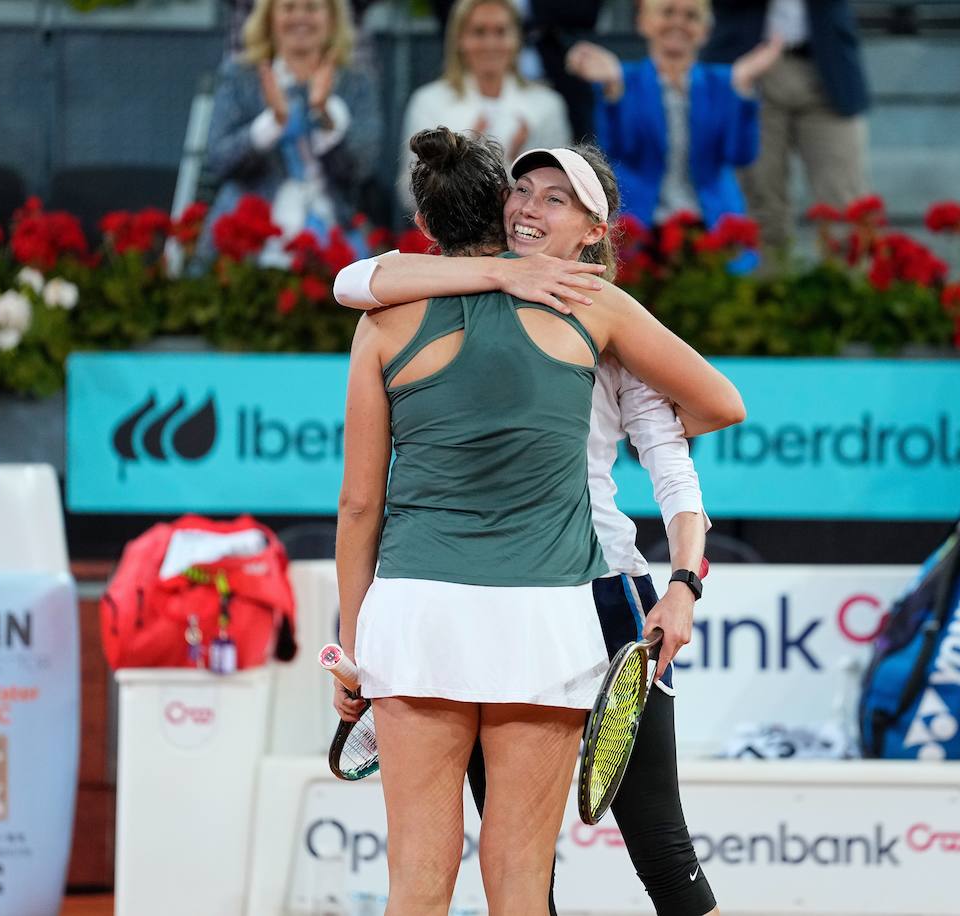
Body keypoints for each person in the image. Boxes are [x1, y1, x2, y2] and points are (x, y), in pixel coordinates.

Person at [334, 129, 743, 911]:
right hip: (544, 614)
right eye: (522, 191)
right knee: (525, 885)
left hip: (467, 608)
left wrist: (354, 649)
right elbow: (719, 405)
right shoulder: (596, 313)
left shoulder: (395, 314)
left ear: (594, 231)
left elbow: (359, 504)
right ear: (497, 202)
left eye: (557, 199)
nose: (531, 206)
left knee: (423, 882)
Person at [564, 0, 781, 230]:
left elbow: (741, 155)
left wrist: (744, 89)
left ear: (706, 30)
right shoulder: (623, 78)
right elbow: (616, 152)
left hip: (712, 222)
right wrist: (613, 91)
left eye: (691, 16)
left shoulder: (724, 81)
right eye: (667, 12)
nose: (679, 22)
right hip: (642, 223)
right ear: (643, 22)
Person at [199, 0, 381, 265]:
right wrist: (273, 123)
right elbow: (218, 161)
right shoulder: (240, 75)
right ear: (269, 18)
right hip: (253, 233)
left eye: (311, 8)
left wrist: (324, 116)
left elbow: (360, 169)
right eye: (289, 7)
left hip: (332, 231)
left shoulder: (356, 82)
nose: (300, 17)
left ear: (331, 18)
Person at [702, 0, 870, 260]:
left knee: (844, 206)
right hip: (749, 65)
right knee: (760, 204)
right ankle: (765, 295)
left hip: (829, 66)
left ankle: (845, 295)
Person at [398, 0, 571, 212]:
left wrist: (515, 163)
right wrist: (466, 159)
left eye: (501, 32)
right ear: (459, 39)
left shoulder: (548, 105)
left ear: (517, 39)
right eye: (479, 32)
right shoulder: (428, 102)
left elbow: (560, 192)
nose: (490, 44)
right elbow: (410, 195)